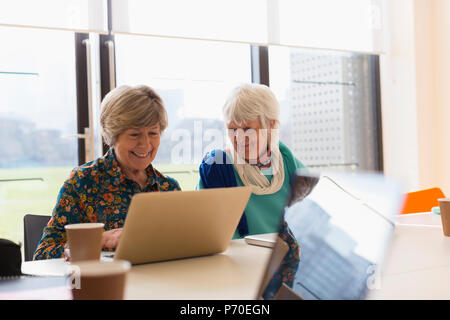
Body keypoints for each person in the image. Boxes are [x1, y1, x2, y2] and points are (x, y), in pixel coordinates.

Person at [34, 85, 181, 260]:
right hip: (104, 284)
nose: (145, 144)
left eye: (153, 133)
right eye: (134, 134)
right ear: (112, 135)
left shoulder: (168, 188)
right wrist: (98, 240)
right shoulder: (82, 182)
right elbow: (43, 254)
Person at [197, 83, 306, 298]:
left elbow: (309, 218)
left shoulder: (287, 161)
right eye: (232, 129)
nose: (239, 138)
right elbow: (213, 238)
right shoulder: (217, 167)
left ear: (271, 126)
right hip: (239, 278)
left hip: (288, 273)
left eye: (247, 129)